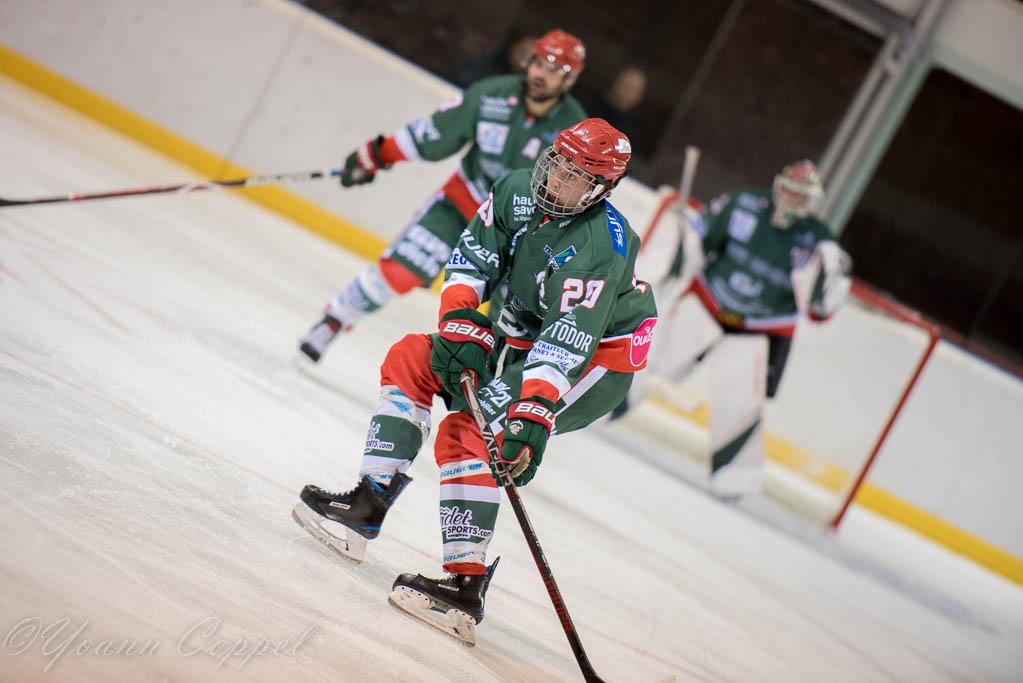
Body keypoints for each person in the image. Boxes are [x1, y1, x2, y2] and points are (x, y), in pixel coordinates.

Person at [292, 119, 657, 644]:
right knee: (412, 356)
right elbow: (470, 261)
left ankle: (464, 588)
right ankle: (367, 504)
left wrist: (532, 412)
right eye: (556, 163)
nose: (555, 180)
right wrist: (459, 322)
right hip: (525, 330)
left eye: (575, 176)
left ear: (601, 189)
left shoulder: (601, 245)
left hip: (595, 359)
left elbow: (565, 341)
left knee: (469, 432)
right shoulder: (514, 190)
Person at [298, 30, 588, 363]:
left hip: (520, 235)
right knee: (400, 271)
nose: (540, 74)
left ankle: (494, 386)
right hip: (461, 206)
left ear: (569, 79)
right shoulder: (490, 95)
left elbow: (574, 200)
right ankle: (334, 320)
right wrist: (377, 154)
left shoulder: (575, 131)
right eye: (538, 63)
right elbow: (436, 134)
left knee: (513, 325)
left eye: (554, 70)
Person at [616, 160, 851, 499]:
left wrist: (830, 291)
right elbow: (699, 238)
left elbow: (818, 310)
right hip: (709, 303)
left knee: (737, 402)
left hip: (758, 329)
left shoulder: (818, 241)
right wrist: (680, 242)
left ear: (812, 201)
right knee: (648, 359)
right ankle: (599, 406)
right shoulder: (743, 203)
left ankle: (736, 480)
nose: (792, 200)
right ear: (778, 186)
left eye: (801, 196)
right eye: (789, 190)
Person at [582, 66, 647, 151]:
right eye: (625, 85)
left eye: (633, 89)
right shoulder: (587, 107)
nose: (626, 92)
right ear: (615, 83)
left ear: (639, 97)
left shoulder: (629, 135)